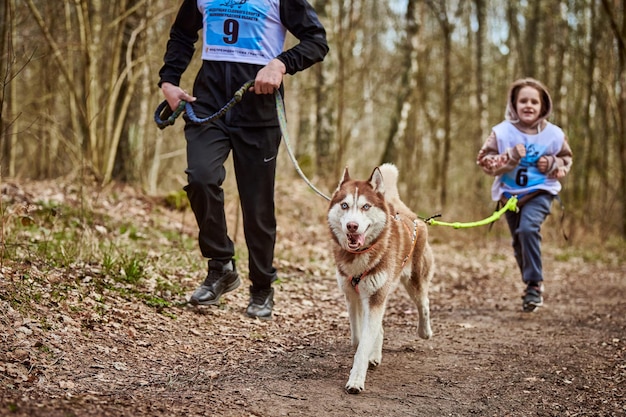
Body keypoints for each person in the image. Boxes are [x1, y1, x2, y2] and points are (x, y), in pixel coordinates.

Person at [158, 0, 328, 319]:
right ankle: (221, 265)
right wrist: (169, 79)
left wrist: (279, 64)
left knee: (257, 205)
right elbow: (182, 33)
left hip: (259, 109)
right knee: (201, 177)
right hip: (207, 103)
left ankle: (262, 287)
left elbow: (317, 42)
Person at [476, 78, 573, 312]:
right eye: (523, 101)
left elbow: (566, 159)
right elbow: (484, 162)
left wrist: (551, 162)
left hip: (540, 192)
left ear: (543, 106)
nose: (528, 105)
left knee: (528, 229)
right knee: (519, 242)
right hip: (509, 196)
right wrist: (508, 157)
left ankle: (534, 285)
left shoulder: (554, 134)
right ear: (514, 104)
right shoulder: (502, 132)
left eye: (534, 101)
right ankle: (531, 284)